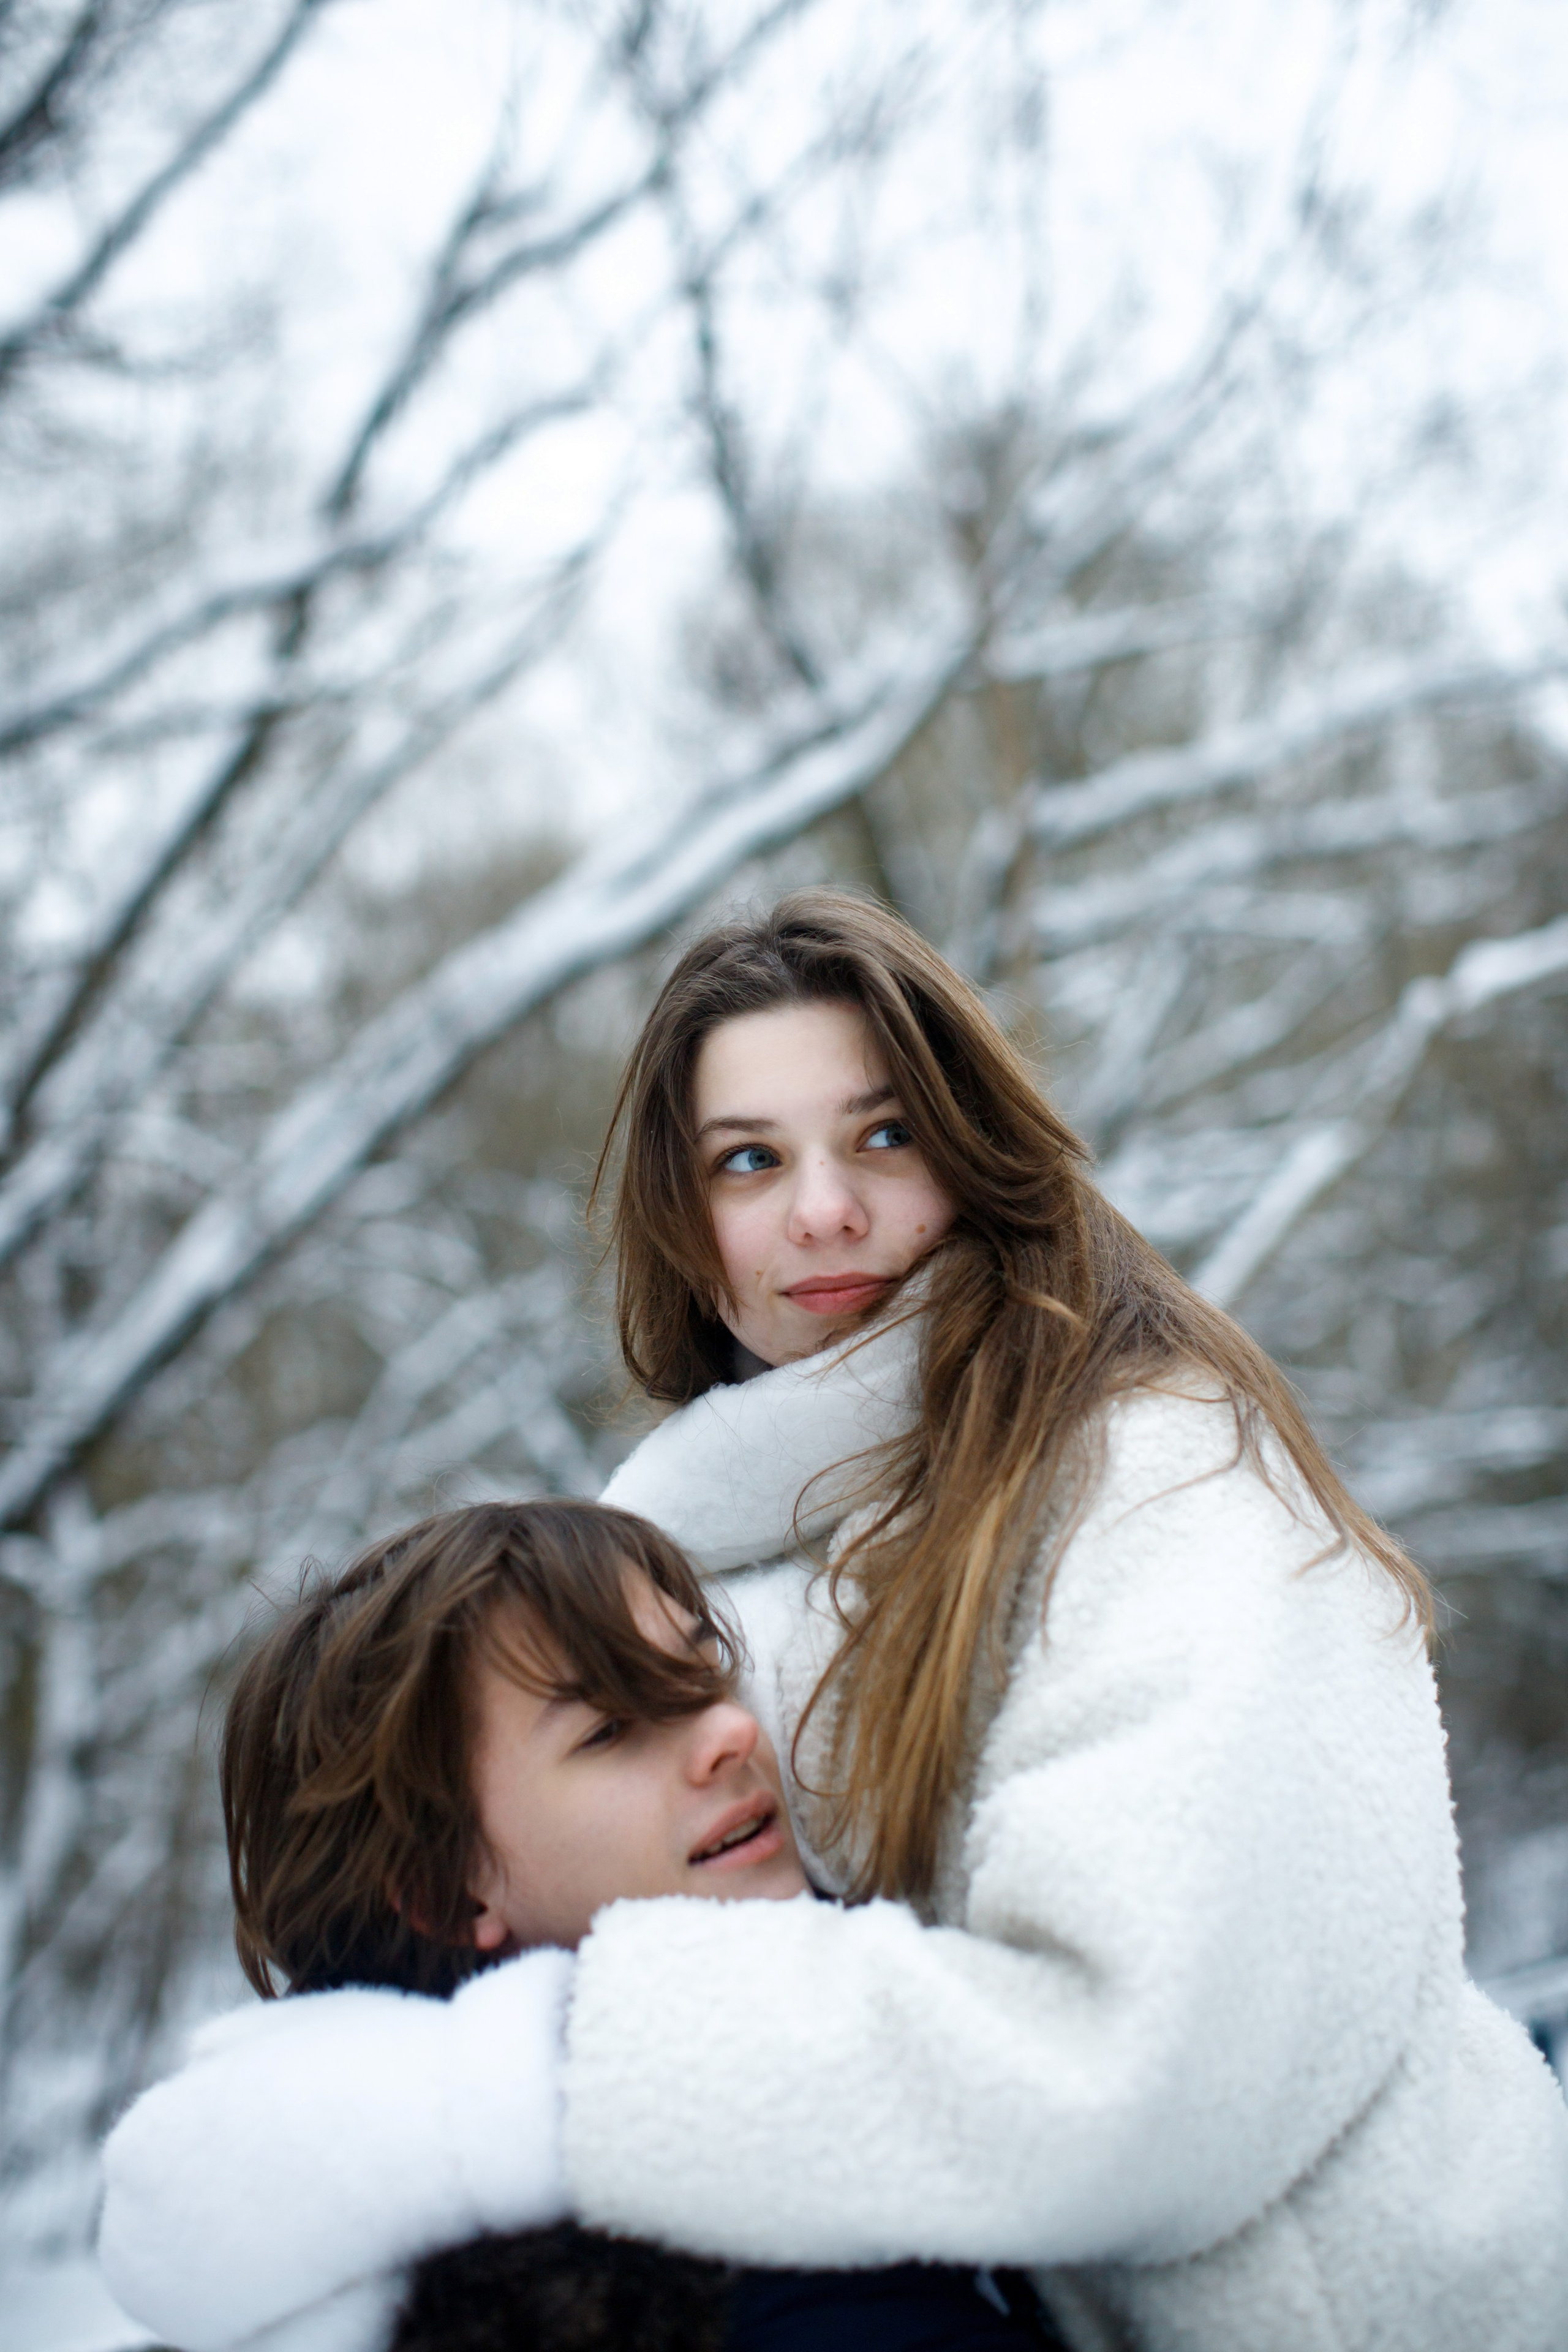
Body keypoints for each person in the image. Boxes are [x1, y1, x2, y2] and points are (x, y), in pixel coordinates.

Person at [101, 891, 1568, 2352]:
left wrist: (492, 2101)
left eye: (882, 1134)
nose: (823, 1212)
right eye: (749, 1161)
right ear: (685, 1226)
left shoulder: (1152, 1468)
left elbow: (1139, 2069)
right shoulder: (702, 1572)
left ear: (972, 1144)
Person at [111, 1494, 1059, 2352]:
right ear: (447, 1895)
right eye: (610, 1729)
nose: (731, 1729)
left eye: (704, 1672)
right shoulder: (724, 2262)